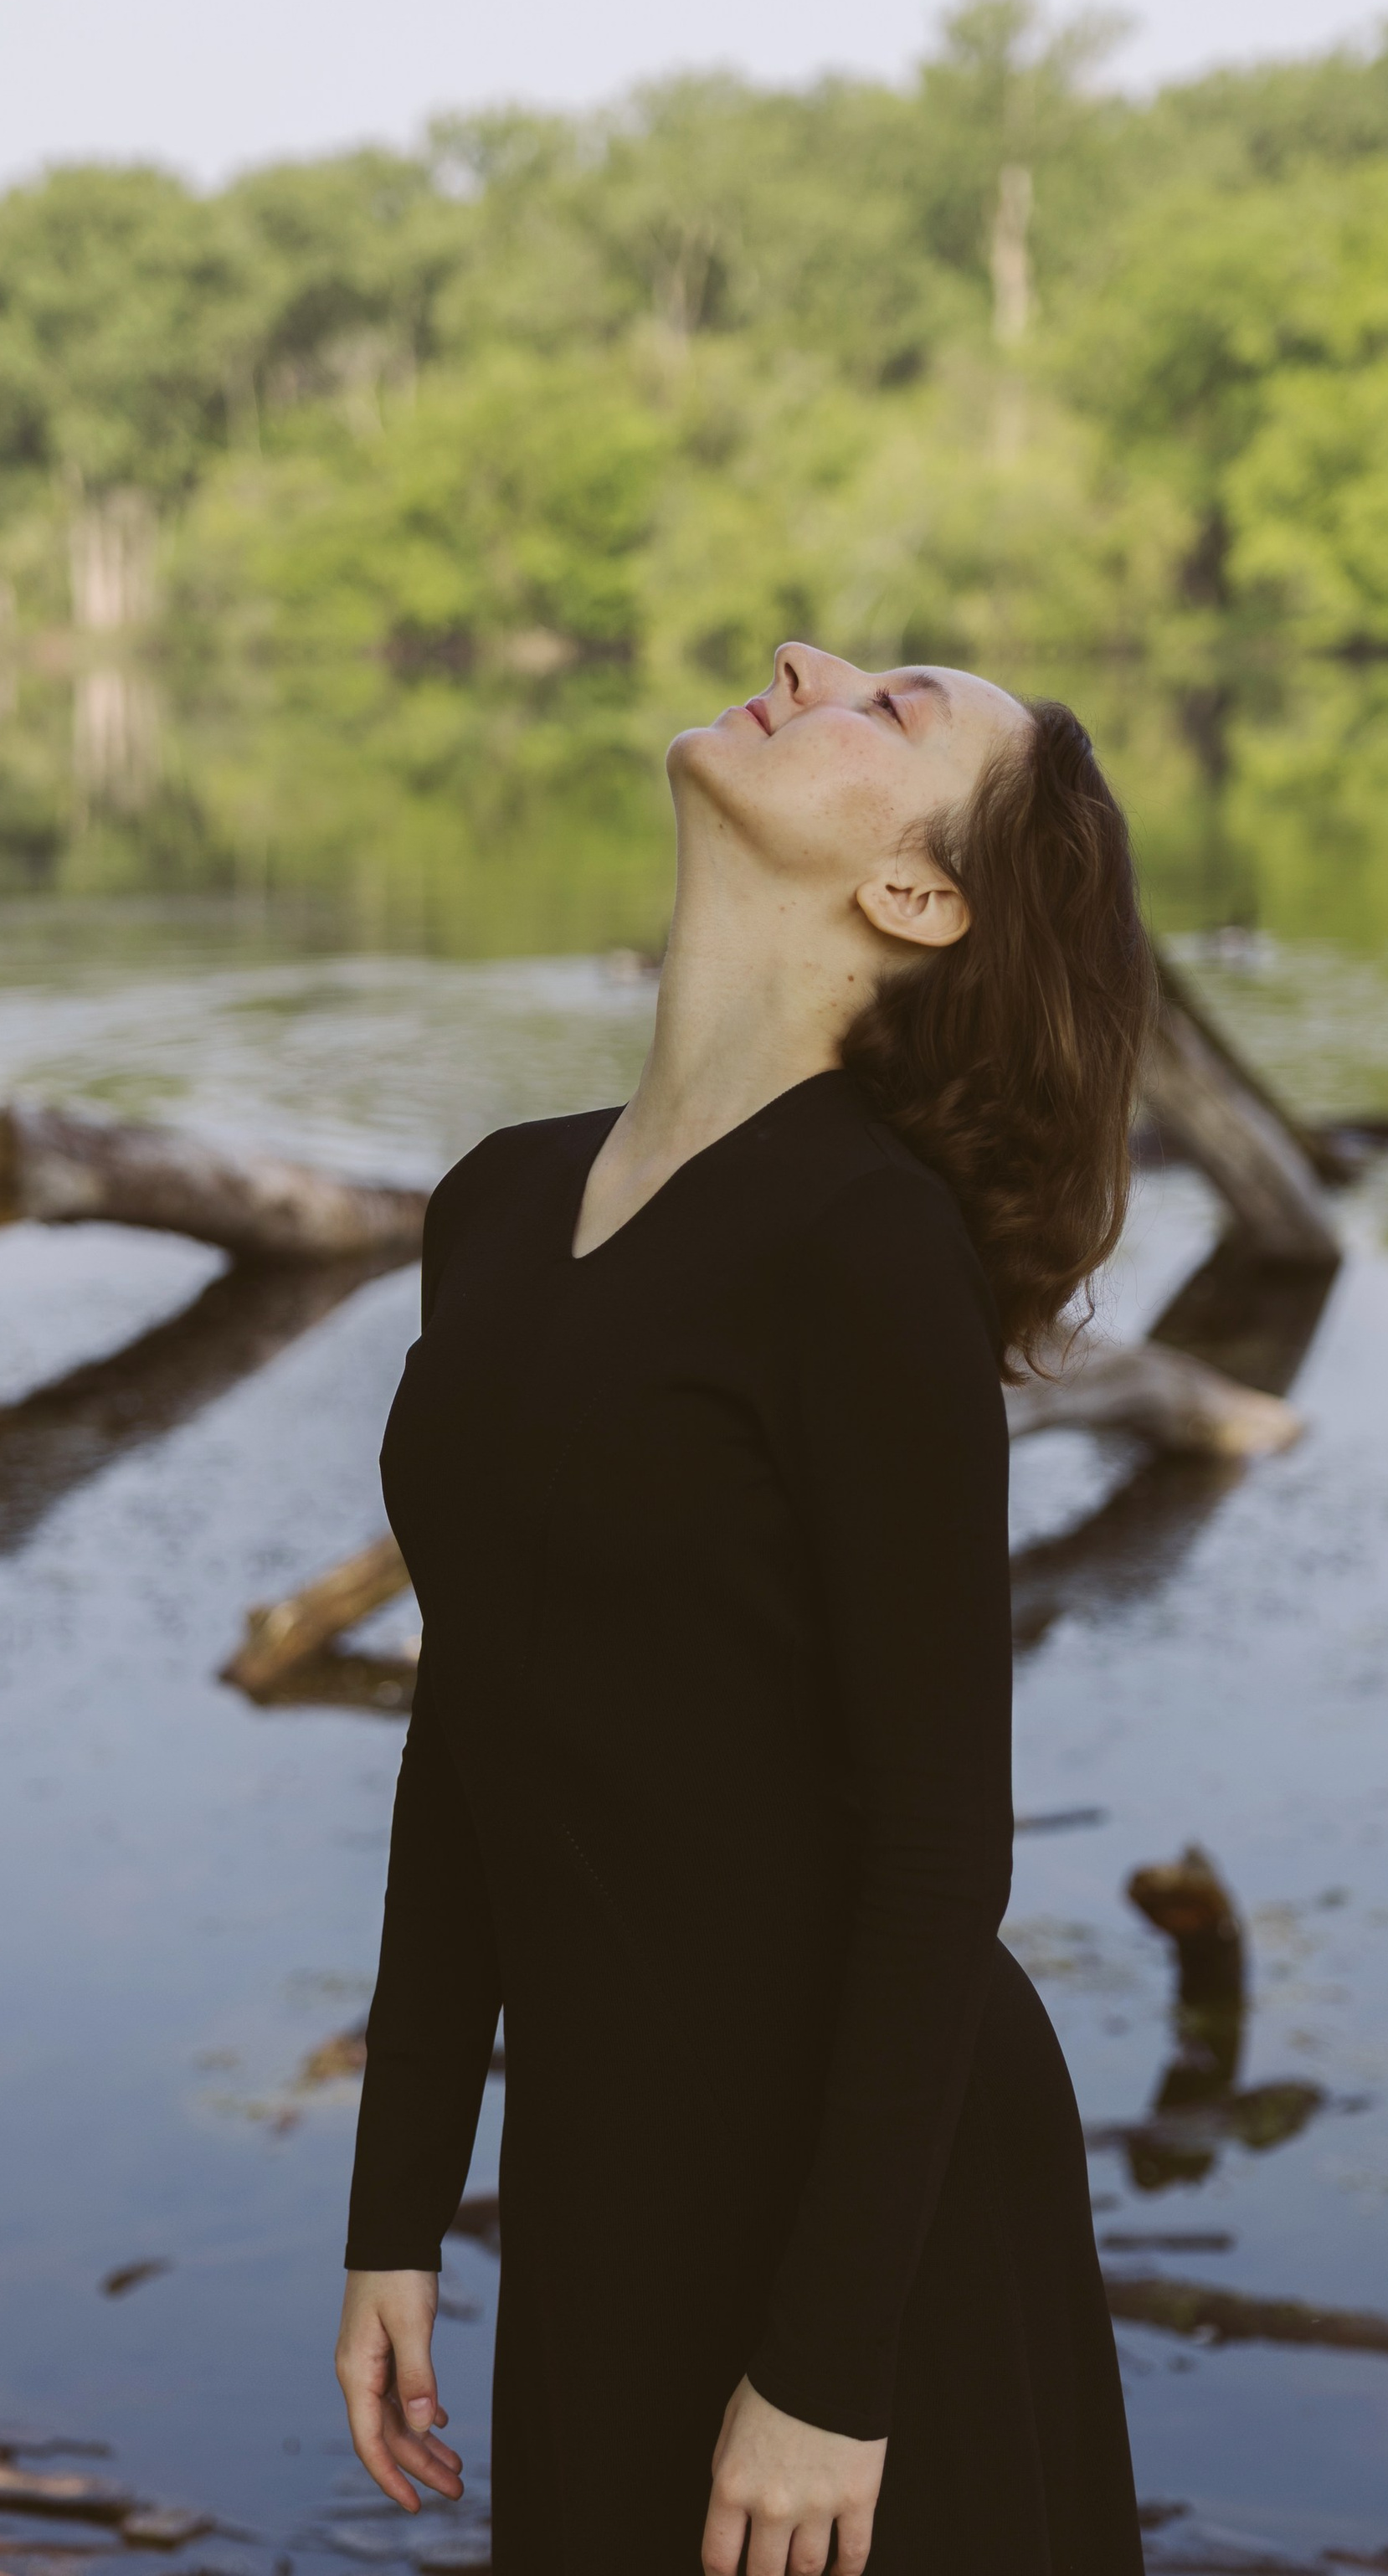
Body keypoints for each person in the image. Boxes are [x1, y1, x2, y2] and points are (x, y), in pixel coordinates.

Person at [334, 641, 1155, 2573]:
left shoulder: (865, 1251)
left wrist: (833, 2364)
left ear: (915, 898)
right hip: (607, 2171)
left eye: (893, 705)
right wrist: (398, 2205)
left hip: (870, 2213)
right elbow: (473, 1732)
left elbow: (942, 1841)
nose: (808, 662)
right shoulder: (498, 1202)